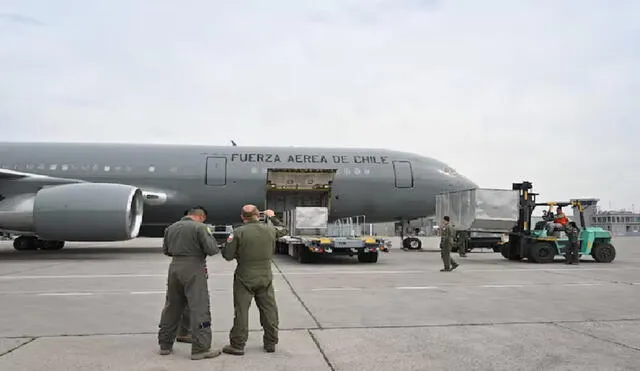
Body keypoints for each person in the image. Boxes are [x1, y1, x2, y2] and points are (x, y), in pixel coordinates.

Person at [220, 205, 288, 355]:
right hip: (265, 275)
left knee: (242, 311)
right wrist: (272, 216)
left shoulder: (238, 233)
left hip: (245, 275)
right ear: (259, 215)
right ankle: (271, 342)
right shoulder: (270, 229)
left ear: (242, 217)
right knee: (269, 309)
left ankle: (238, 344)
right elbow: (283, 229)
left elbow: (228, 256)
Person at [157, 207, 221, 360]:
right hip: (194, 268)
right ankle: (201, 348)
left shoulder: (171, 228)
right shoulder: (200, 227)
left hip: (174, 268)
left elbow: (166, 250)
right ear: (201, 216)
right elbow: (212, 249)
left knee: (172, 306)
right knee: (199, 307)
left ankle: (165, 344)